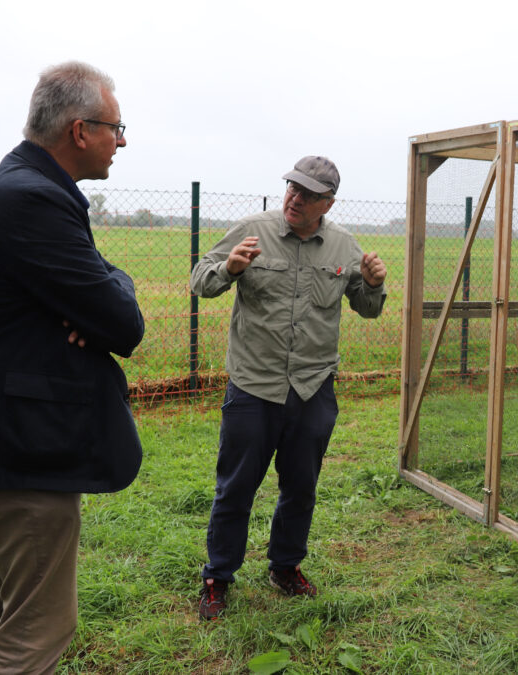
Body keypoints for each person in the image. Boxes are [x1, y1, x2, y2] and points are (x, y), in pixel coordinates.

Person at [0, 61, 143, 673]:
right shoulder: (31, 200)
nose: (120, 143)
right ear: (79, 130)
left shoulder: (25, 188)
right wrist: (102, 296)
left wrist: (99, 290)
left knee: (13, 608)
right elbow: (124, 324)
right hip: (15, 448)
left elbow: (102, 290)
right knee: (38, 629)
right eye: (116, 130)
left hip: (1, 438)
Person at [190, 156, 387, 620]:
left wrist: (374, 285)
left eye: (308, 194)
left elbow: (368, 307)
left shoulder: (343, 246)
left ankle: (285, 567)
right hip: (254, 386)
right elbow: (200, 279)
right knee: (235, 488)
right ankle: (218, 576)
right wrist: (230, 269)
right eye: (292, 188)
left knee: (301, 487)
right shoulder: (252, 230)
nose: (295, 198)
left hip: (313, 387)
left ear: (328, 203)